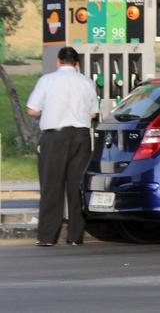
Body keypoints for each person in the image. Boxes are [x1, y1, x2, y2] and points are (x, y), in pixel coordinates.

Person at [26, 46, 98, 246]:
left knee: (51, 187)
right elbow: (93, 114)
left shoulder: (47, 81)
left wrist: (50, 111)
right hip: (81, 138)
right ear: (77, 64)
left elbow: (32, 110)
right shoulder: (87, 82)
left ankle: (48, 236)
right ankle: (75, 236)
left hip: (54, 138)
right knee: (77, 187)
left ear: (58, 62)